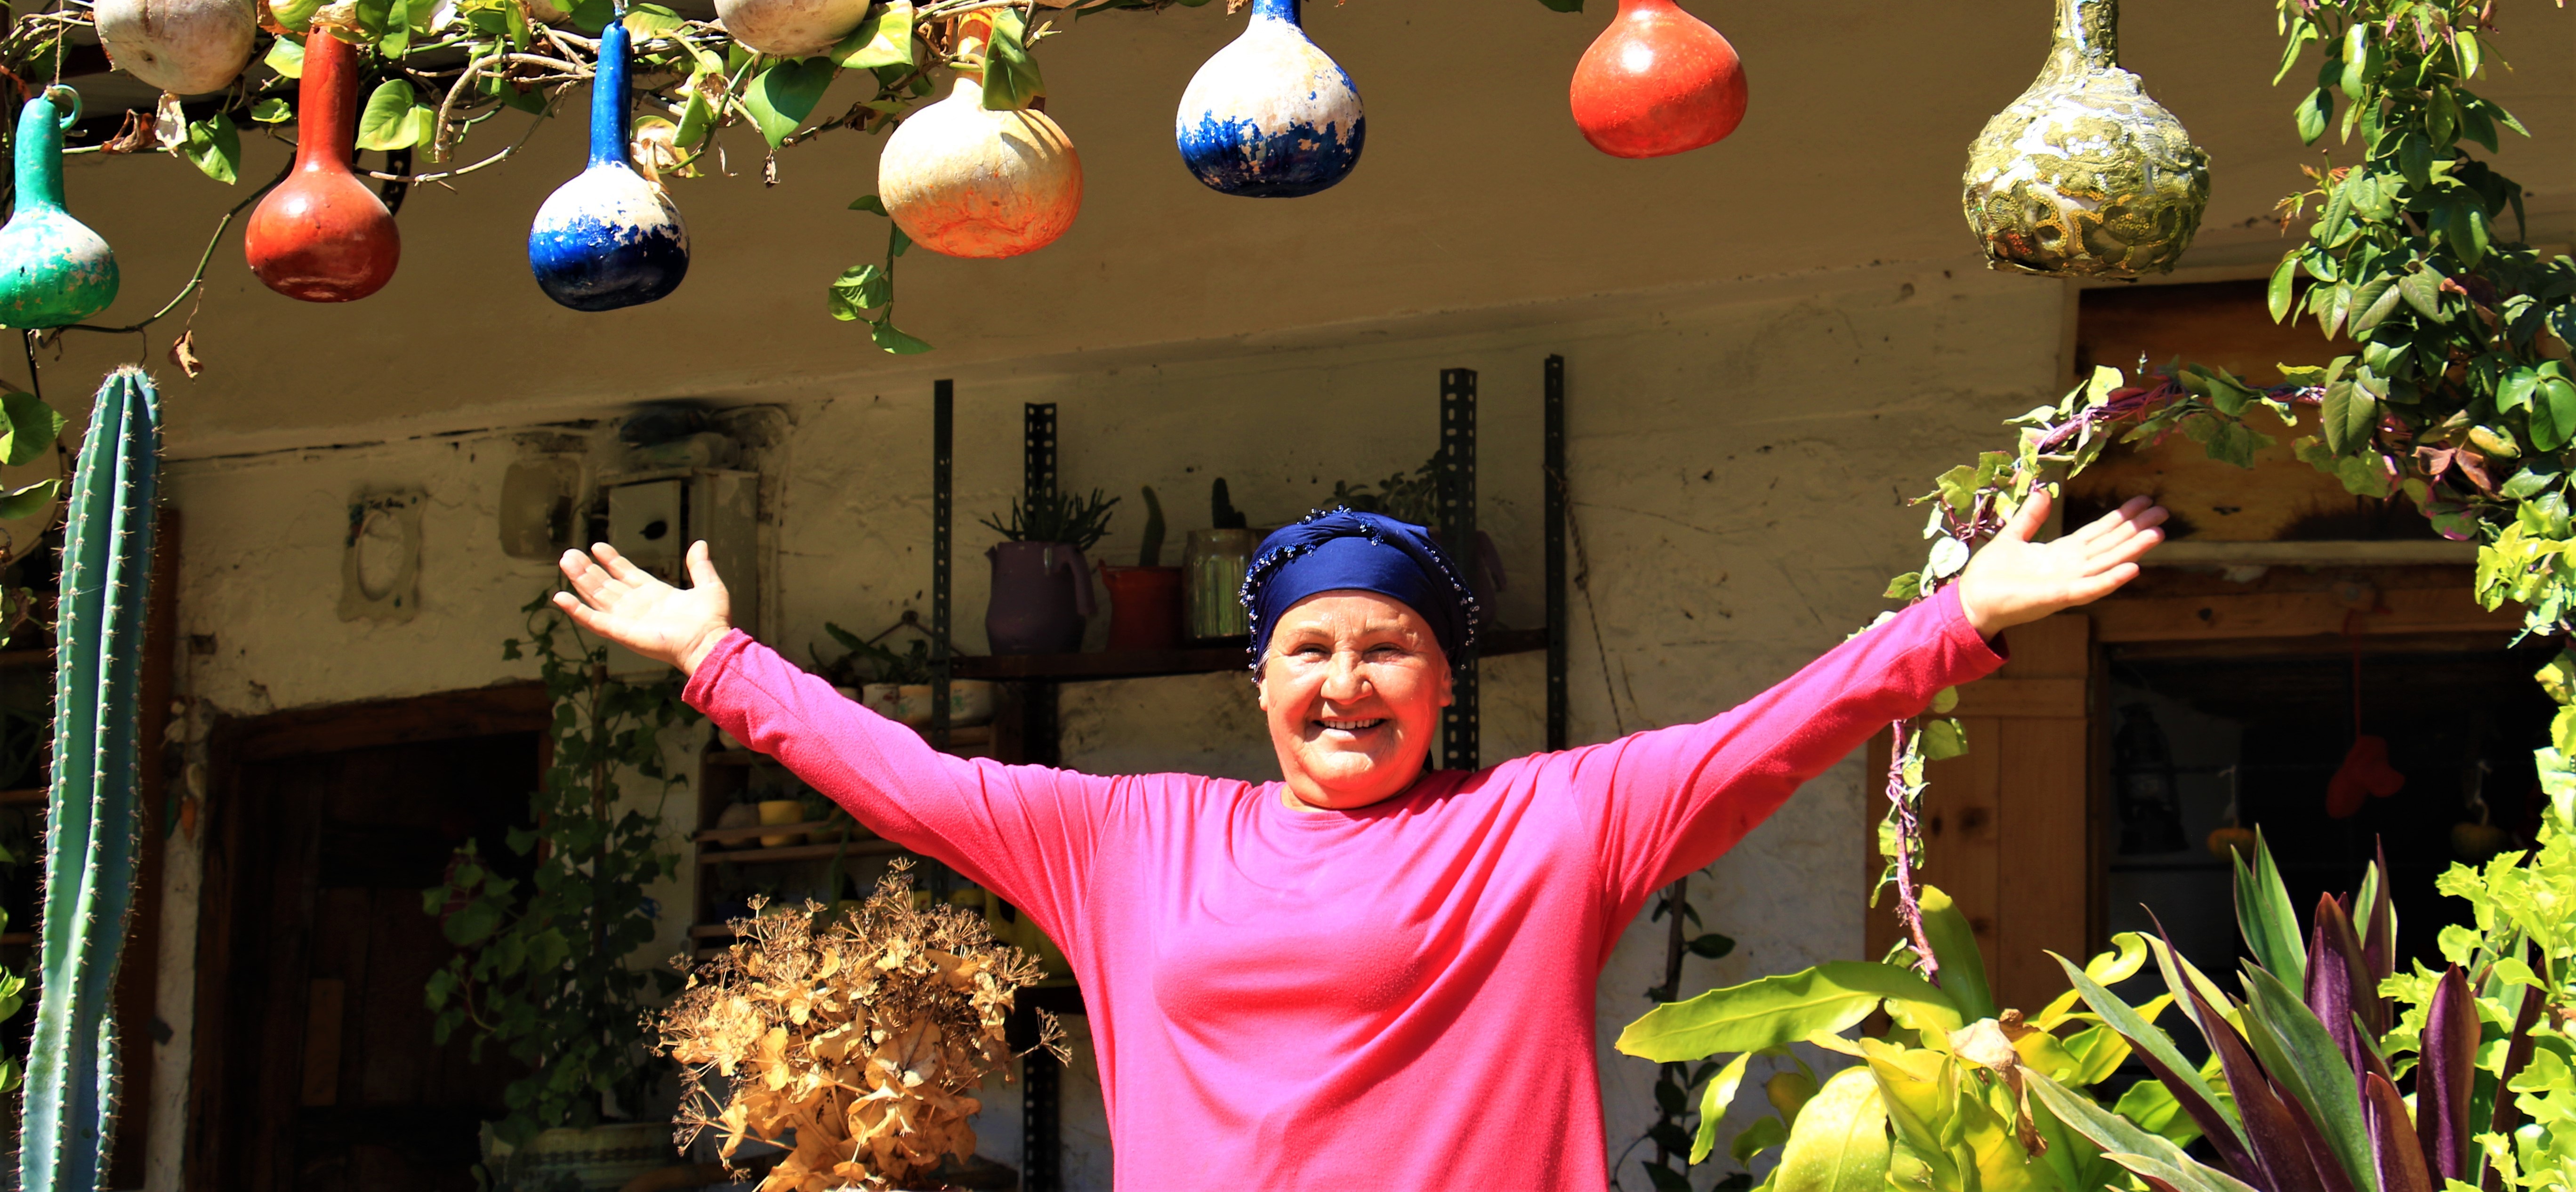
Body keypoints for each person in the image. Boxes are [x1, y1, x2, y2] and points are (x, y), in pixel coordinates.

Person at [557, 491, 2167, 1192]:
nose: (1346, 681)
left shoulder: (1549, 824)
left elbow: (1777, 734)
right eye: (1310, 649)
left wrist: (1958, 622)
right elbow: (902, 777)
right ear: (1259, 681)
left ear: (1442, 683)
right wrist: (722, 661)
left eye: (1387, 647)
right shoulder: (1125, 839)